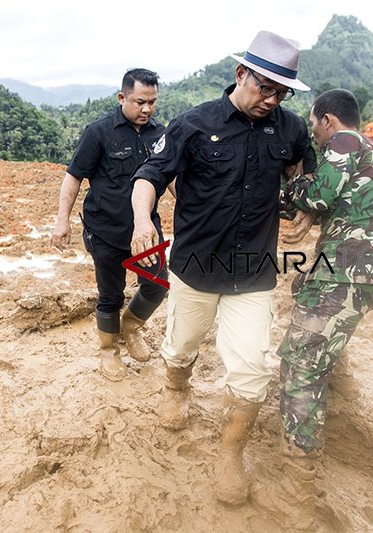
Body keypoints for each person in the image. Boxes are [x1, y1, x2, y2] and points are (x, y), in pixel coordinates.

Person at [129, 30, 316, 505]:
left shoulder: (289, 129)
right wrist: (140, 221)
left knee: (252, 368)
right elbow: (149, 177)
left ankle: (230, 454)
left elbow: (302, 173)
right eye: (264, 88)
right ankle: (177, 388)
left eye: (282, 93)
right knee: (181, 345)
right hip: (194, 267)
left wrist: (305, 212)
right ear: (240, 74)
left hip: (253, 273)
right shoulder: (194, 123)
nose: (271, 100)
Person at [271, 89, 373, 524]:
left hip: (356, 262)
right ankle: (341, 394)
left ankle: (297, 487)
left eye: (314, 125)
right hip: (363, 261)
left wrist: (288, 192)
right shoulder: (362, 149)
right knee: (306, 292)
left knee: (301, 361)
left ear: (328, 120)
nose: (313, 133)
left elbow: (317, 197)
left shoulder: (344, 142)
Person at [50, 68, 170, 381]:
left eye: (152, 102)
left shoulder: (161, 134)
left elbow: (172, 178)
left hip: (146, 230)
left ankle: (130, 327)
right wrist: (62, 220)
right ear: (122, 98)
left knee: (157, 285)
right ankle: (109, 351)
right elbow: (74, 175)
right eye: (140, 101)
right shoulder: (99, 131)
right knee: (110, 295)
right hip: (105, 230)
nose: (146, 109)